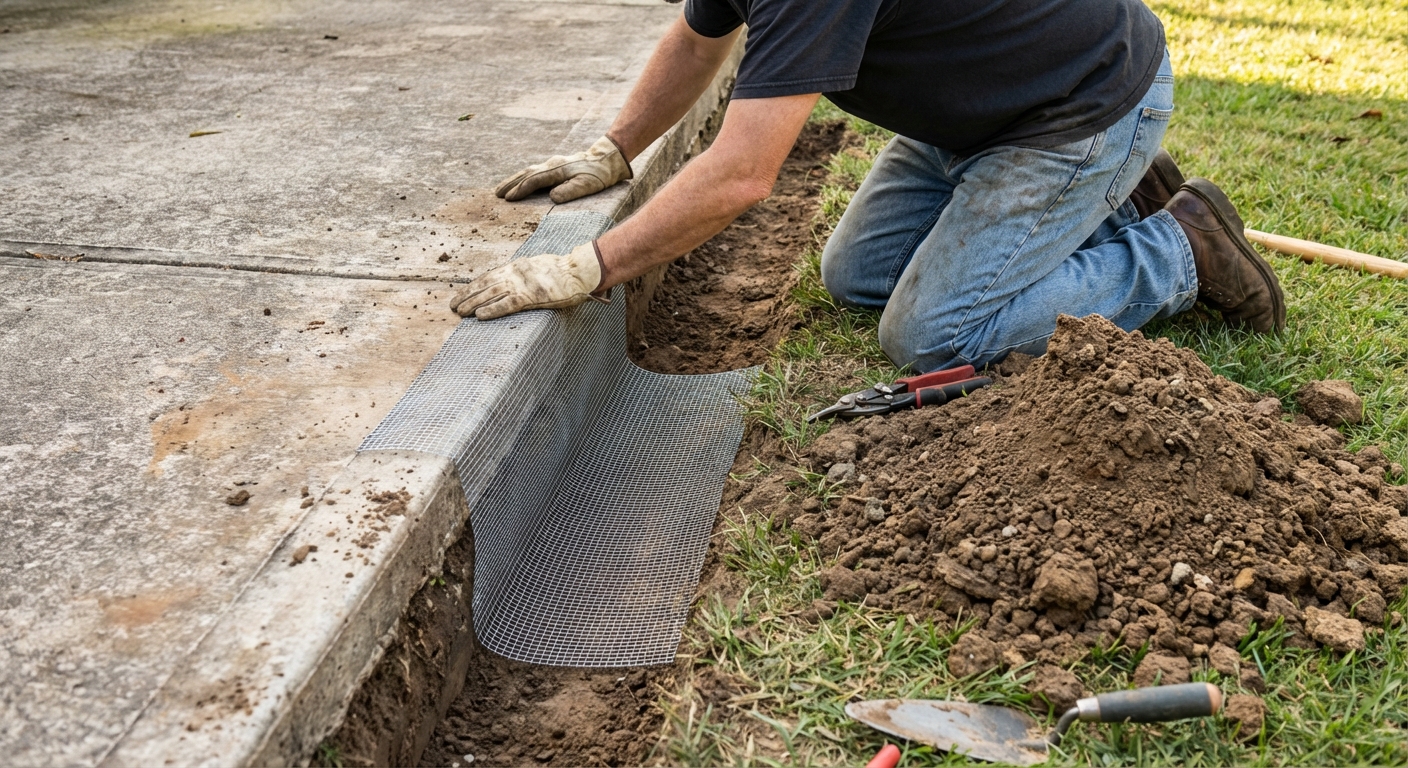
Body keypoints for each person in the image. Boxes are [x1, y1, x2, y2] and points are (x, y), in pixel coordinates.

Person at [450, 0, 1284, 372]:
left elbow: (741, 175)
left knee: (935, 337)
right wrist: (616, 148)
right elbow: (699, 38)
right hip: (976, 116)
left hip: (1081, 106)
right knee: (857, 279)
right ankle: (1101, 209)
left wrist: (585, 267)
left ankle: (1177, 252)